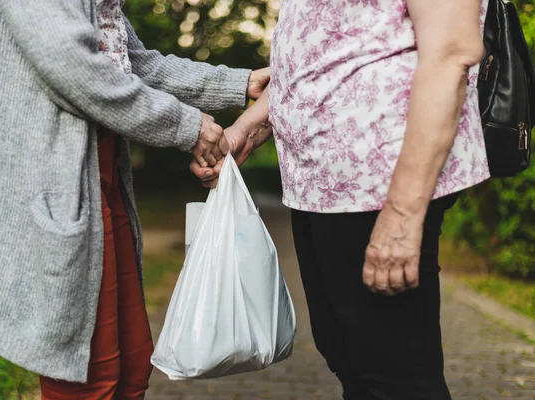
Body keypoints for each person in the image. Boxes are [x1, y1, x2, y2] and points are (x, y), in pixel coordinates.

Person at [0, 0, 269, 398]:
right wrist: (186, 126)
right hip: (58, 182)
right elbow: (70, 64)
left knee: (131, 366)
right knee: (89, 378)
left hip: (104, 177)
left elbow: (133, 63)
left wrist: (239, 83)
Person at [193, 0, 489, 398]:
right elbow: (326, 49)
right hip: (318, 183)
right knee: (347, 353)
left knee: (394, 376)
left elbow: (452, 51)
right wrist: (248, 125)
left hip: (381, 182)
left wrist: (402, 214)